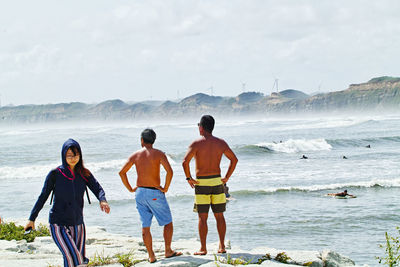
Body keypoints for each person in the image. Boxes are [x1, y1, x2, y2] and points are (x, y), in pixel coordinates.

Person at [25, 139, 110, 267]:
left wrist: (102, 200)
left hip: (78, 224)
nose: (73, 158)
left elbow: (97, 188)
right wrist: (32, 219)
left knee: (71, 262)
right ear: (64, 155)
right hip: (58, 224)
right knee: (75, 258)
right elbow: (43, 196)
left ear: (80, 155)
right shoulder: (55, 174)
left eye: (75, 155)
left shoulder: (84, 173)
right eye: (69, 155)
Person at [119, 129, 182, 263]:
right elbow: (170, 172)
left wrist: (130, 188)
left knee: (145, 225)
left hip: (140, 193)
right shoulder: (159, 154)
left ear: (142, 140)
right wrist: (165, 188)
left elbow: (122, 172)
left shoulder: (135, 155)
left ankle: (151, 255)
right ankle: (168, 250)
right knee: (168, 223)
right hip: (154, 192)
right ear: (153, 140)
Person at [182, 115, 238, 255]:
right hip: (217, 182)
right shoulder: (221, 143)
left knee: (203, 217)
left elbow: (185, 162)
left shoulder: (196, 144)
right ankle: (222, 246)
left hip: (201, 183)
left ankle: (203, 248)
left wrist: (189, 178)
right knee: (219, 216)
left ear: (201, 127)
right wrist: (226, 178)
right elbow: (234, 160)